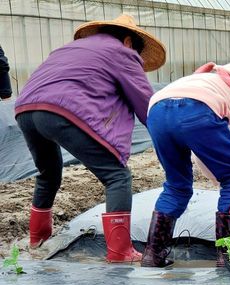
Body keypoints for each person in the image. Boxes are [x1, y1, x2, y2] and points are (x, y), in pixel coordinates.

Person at [14, 14, 164, 262]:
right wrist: (167, 136)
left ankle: (37, 241)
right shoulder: (122, 52)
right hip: (63, 110)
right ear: (128, 41)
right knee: (117, 176)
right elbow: (147, 103)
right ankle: (120, 252)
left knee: (48, 173)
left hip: (25, 110)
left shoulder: (69, 48)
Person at [141, 63, 230, 268]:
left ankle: (152, 254)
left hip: (157, 110)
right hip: (196, 109)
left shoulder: (223, 82)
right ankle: (228, 257)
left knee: (176, 185)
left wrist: (221, 179)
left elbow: (205, 153)